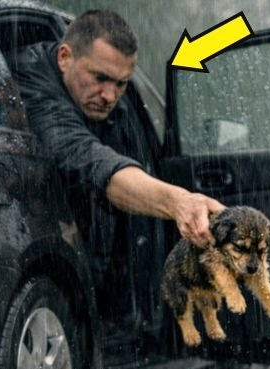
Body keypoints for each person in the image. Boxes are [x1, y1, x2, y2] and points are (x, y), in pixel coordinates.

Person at [13, 9, 222, 250]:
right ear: (64, 57)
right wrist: (178, 202)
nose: (110, 96)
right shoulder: (24, 81)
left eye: (121, 83)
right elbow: (85, 156)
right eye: (100, 78)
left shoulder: (110, 103)